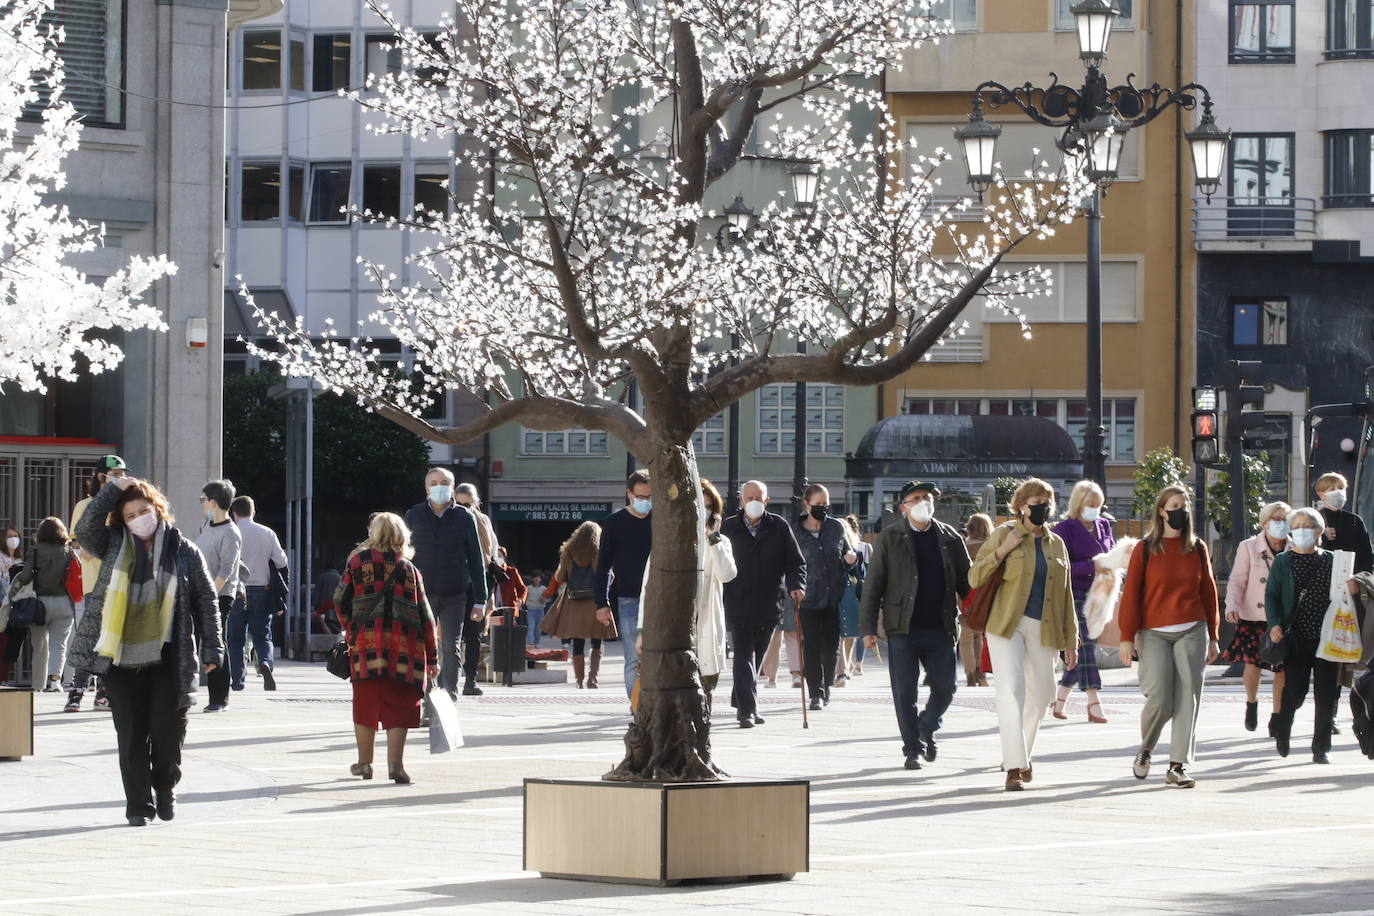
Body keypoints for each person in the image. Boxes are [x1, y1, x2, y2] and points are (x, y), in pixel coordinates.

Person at [67, 476, 222, 826]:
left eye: (144, 511)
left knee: (168, 731)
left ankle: (165, 786)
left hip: (169, 656)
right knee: (132, 733)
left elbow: (206, 600)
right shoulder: (111, 544)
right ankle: (138, 805)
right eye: (131, 515)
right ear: (122, 521)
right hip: (120, 656)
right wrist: (114, 490)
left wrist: (214, 647)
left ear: (158, 509)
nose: (139, 518)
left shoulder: (183, 550)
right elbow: (85, 526)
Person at [969, 478, 1077, 792]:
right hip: (1006, 625)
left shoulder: (1056, 544)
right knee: (1010, 691)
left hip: (1044, 627)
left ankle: (1022, 756)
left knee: (1043, 695)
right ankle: (1014, 766)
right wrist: (1003, 550)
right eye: (1036, 503)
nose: (1042, 508)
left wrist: (1070, 638)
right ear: (1020, 506)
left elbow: (1066, 594)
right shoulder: (1004, 533)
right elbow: (975, 576)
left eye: (1047, 502)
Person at [861, 481, 971, 771]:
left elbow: (967, 581)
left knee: (946, 687)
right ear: (904, 507)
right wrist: (868, 628)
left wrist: (979, 609)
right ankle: (913, 748)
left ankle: (928, 725)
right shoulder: (890, 537)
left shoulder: (950, 537)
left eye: (927, 497)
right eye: (916, 498)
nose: (924, 502)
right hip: (902, 627)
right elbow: (874, 585)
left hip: (941, 625)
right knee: (905, 691)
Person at [1117, 484, 1220, 789]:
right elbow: (1131, 595)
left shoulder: (1197, 547)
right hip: (1153, 633)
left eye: (1185, 505)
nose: (1181, 511)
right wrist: (1126, 636)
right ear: (1161, 511)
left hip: (1192, 628)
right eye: (1175, 505)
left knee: (1188, 697)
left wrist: (1213, 635)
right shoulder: (1145, 549)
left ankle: (1178, 765)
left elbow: (1209, 592)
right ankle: (1146, 749)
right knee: (1161, 698)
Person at [333, 512, 438, 785]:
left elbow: (339, 599)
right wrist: (433, 656)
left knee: (365, 705)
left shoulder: (357, 563)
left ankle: (365, 764)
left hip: (365, 648)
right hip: (405, 650)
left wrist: (351, 626)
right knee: (400, 706)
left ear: (374, 533)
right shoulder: (410, 570)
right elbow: (426, 615)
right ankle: (396, 765)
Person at [1266, 506, 1356, 764]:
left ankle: (1321, 747)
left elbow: (1344, 594)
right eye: (1298, 527)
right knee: (1295, 690)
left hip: (1328, 637)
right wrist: (1274, 623)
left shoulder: (1332, 560)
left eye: (1309, 526)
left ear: (1319, 531)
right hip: (1296, 637)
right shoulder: (1283, 561)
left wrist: (1351, 585)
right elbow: (1271, 595)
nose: (1303, 531)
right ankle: (1283, 728)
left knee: (1326, 693)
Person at [638, 479, 736, 704]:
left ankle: (701, 731)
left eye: (709, 506)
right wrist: (643, 629)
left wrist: (714, 539)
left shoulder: (720, 542)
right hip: (674, 624)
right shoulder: (668, 541)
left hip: (705, 622)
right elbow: (649, 585)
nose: (703, 510)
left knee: (704, 685)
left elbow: (727, 574)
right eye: (699, 504)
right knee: (675, 684)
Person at [720, 480, 805, 728]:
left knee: (756, 657)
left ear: (766, 501)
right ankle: (748, 710)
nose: (754, 502)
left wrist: (797, 585)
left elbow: (795, 562)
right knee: (744, 655)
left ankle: (741, 697)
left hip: (769, 602)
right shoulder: (729, 527)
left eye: (759, 498)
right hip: (738, 601)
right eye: (749, 498)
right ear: (741, 500)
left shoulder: (778, 526)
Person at [404, 468, 488, 699]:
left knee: (451, 646)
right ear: (426, 487)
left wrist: (481, 600)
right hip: (420, 595)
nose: (438, 487)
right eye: (433, 483)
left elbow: (476, 559)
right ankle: (423, 695)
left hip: (455, 593)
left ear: (452, 487)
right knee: (420, 647)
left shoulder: (464, 517)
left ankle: (449, 695)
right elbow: (403, 556)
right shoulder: (414, 515)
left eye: (443, 482)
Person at [1222, 500, 1291, 734]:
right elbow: (1237, 579)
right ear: (1264, 522)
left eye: (1284, 519)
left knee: (1282, 667)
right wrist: (1232, 605)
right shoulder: (1249, 547)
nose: (1280, 524)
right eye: (1276, 519)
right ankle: (1251, 704)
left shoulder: (1294, 547)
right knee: (1253, 663)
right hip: (1253, 614)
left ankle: (1277, 715)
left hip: (1281, 618)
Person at [65, 455, 127, 712]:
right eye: (116, 474)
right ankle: (76, 692)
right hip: (94, 581)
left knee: (110, 638)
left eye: (123, 473)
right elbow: (74, 540)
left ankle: (103, 692)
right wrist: (84, 546)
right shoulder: (85, 505)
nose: (120, 478)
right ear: (101, 476)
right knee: (89, 635)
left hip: (120, 580)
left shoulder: (123, 507)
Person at [1051, 480, 1115, 724]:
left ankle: (1060, 699)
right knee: (1085, 645)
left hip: (1099, 594)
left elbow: (1110, 553)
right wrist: (1091, 566)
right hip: (1074, 593)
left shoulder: (1104, 525)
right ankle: (1093, 701)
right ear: (1079, 503)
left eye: (1099, 504)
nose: (1095, 508)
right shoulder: (1064, 529)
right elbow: (1060, 566)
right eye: (1091, 504)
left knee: (1083, 649)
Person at [1314, 471, 1371, 734]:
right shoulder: (1313, 520)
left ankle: (1334, 712)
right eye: (1331, 488)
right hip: (1320, 597)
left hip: (1349, 595)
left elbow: (1367, 559)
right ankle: (1326, 713)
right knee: (1325, 657)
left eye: (1341, 487)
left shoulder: (1355, 521)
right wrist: (1322, 536)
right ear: (1320, 493)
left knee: (1341, 655)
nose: (1338, 492)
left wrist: (1358, 581)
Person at [791, 484, 856, 710]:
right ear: (806, 504)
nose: (822, 508)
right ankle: (815, 693)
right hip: (807, 598)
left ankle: (826, 685)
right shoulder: (796, 531)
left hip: (833, 596)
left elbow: (847, 554)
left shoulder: (836, 527)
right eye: (818, 504)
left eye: (825, 504)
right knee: (811, 646)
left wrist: (850, 559)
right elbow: (790, 564)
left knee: (830, 648)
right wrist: (792, 586)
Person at [595, 469, 654, 700]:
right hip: (628, 598)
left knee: (657, 656)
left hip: (658, 597)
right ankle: (637, 708)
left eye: (649, 498)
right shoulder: (615, 522)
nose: (645, 502)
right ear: (629, 494)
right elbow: (603, 565)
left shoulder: (661, 520)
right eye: (640, 497)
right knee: (633, 656)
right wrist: (602, 602)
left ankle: (651, 703)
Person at [541, 523, 616, 687]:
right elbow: (608, 577)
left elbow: (560, 577)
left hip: (574, 602)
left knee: (578, 641)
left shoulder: (568, 552)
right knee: (597, 641)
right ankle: (592, 678)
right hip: (596, 602)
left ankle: (579, 681)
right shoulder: (599, 551)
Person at [10, 518, 79, 692]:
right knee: (59, 644)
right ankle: (55, 681)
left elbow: (25, 577)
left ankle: (38, 686)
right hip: (64, 604)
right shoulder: (68, 551)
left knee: (40, 646)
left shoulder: (35, 551)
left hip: (39, 605)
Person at [228, 495, 287, 692]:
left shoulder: (230, 531)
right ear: (253, 512)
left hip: (236, 590)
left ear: (234, 513)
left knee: (236, 639)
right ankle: (265, 663)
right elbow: (281, 561)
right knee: (263, 636)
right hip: (262, 590)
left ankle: (237, 680)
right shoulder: (267, 533)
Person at [196, 480, 242, 713]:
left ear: (213, 502)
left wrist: (209, 596)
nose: (201, 504)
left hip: (219, 596)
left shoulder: (231, 532)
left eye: (203, 499)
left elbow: (226, 569)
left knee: (215, 642)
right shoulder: (207, 525)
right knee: (195, 640)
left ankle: (219, 698)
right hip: (201, 593)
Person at [959, 513, 994, 687]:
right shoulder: (990, 547)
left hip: (965, 595)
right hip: (985, 595)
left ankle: (970, 675)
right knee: (979, 636)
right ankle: (982, 674)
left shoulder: (963, 546)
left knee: (965, 638)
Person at [843, 514, 872, 678]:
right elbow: (870, 570)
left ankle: (845, 667)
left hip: (846, 588)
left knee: (846, 628)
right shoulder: (865, 547)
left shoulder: (841, 547)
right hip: (862, 589)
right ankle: (858, 665)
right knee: (859, 628)